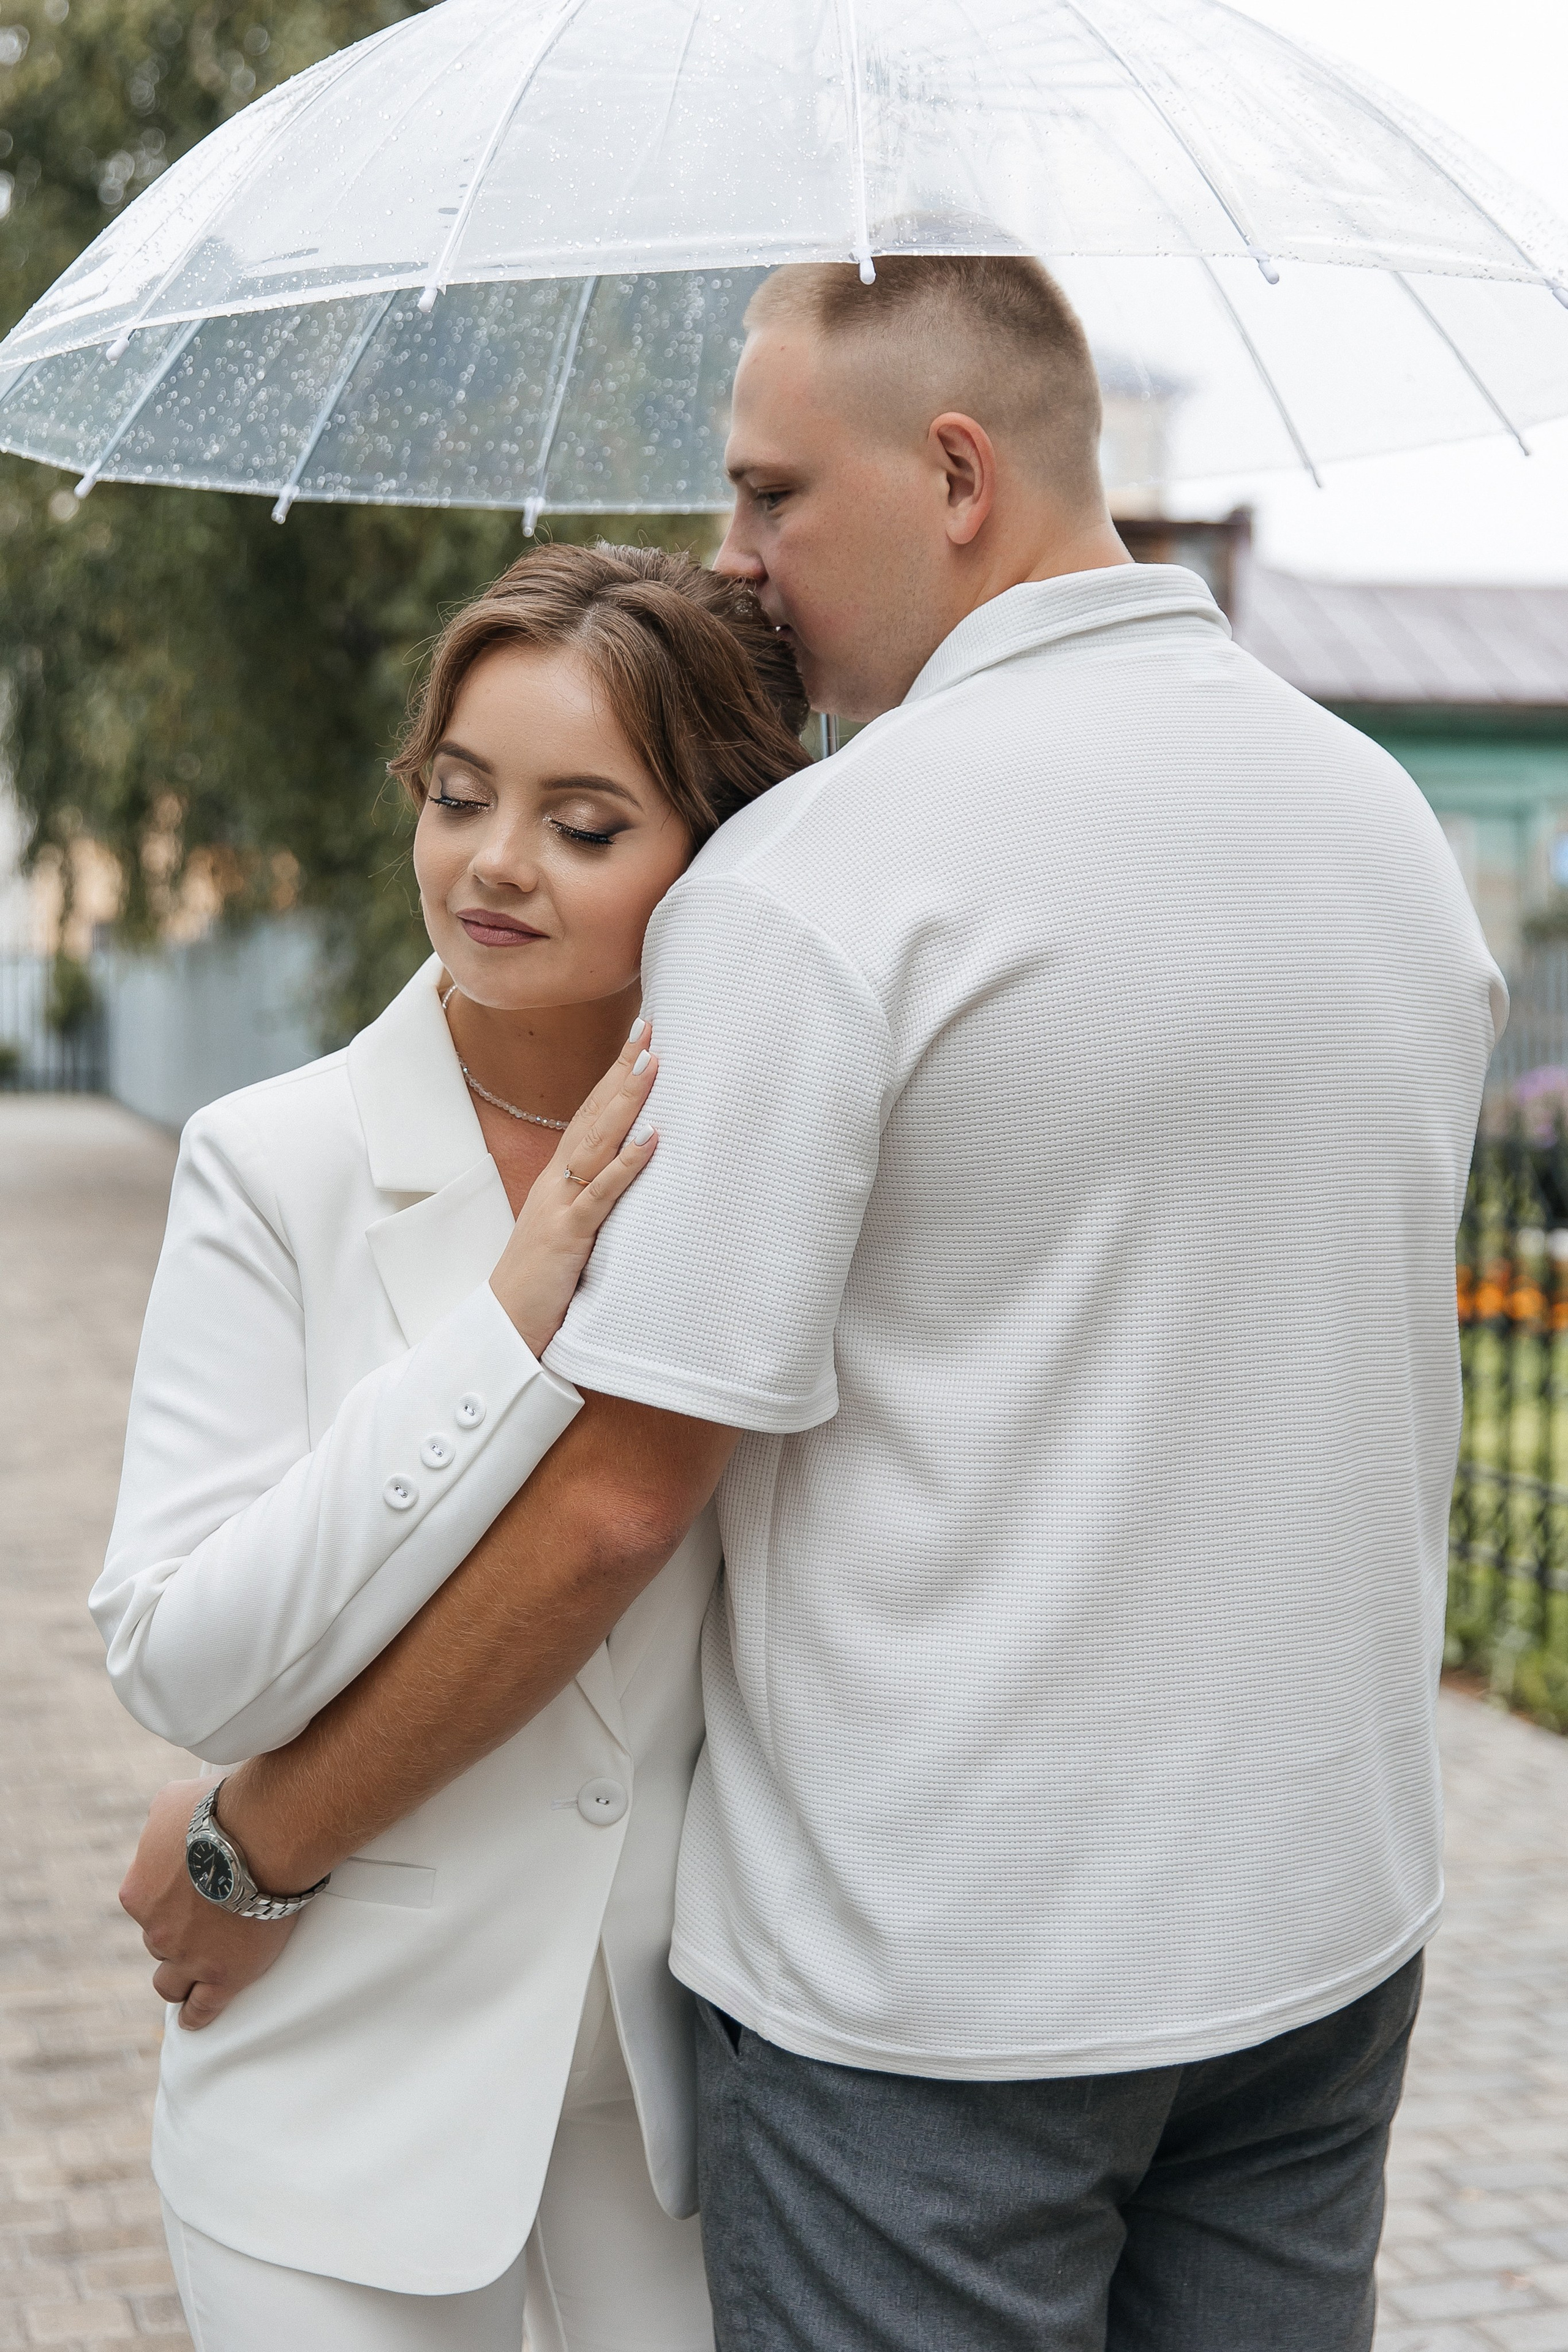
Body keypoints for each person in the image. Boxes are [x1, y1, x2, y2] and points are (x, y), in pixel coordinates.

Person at [120, 256, 1505, 2352]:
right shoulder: (1380, 825)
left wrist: (255, 1845)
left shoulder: (821, 879)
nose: (737, 565)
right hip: (1322, 1955)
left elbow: (614, 1508)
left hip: (941, 2013)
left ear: (956, 473)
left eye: (771, 494)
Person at [95, 543, 810, 2350]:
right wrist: (502, 1325)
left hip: (675, 2120)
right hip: (336, 2104)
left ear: (715, 858)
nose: (492, 863)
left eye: (584, 824)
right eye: (461, 795)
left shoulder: (765, 1169)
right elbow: (184, 1658)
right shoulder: (278, 1159)